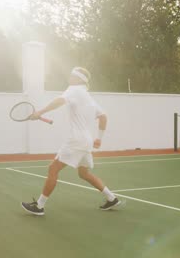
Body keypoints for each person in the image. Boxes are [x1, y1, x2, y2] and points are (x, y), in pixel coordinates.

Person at [21, 67, 121, 216]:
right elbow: (104, 116)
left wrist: (40, 113)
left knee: (53, 169)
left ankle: (39, 206)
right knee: (84, 173)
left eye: (73, 75)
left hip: (76, 140)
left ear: (79, 79)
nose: (70, 77)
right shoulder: (88, 97)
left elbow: (60, 100)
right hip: (86, 141)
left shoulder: (74, 89)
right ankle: (111, 198)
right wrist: (99, 138)